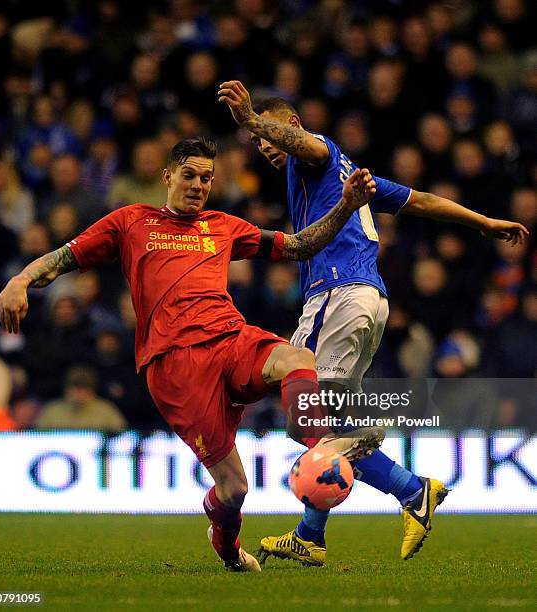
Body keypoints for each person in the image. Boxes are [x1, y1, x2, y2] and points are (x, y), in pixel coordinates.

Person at [0, 137, 379, 573]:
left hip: (230, 336)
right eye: (190, 175)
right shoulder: (131, 222)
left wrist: (346, 206)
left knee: (297, 359)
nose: (198, 185)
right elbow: (66, 256)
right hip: (175, 365)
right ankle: (227, 546)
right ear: (168, 176)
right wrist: (20, 280)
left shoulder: (223, 225)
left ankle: (318, 447)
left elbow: (299, 245)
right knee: (233, 491)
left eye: (207, 178)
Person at [217, 80, 529, 565]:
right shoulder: (345, 179)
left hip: (337, 296)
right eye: (260, 145)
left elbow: (305, 144)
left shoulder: (316, 154)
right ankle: (330, 526)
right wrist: (484, 223)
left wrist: (252, 119)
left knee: (309, 419)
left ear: (293, 125)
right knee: (324, 425)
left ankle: (394, 480)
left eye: (272, 136)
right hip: (364, 300)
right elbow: (423, 201)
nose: (267, 148)